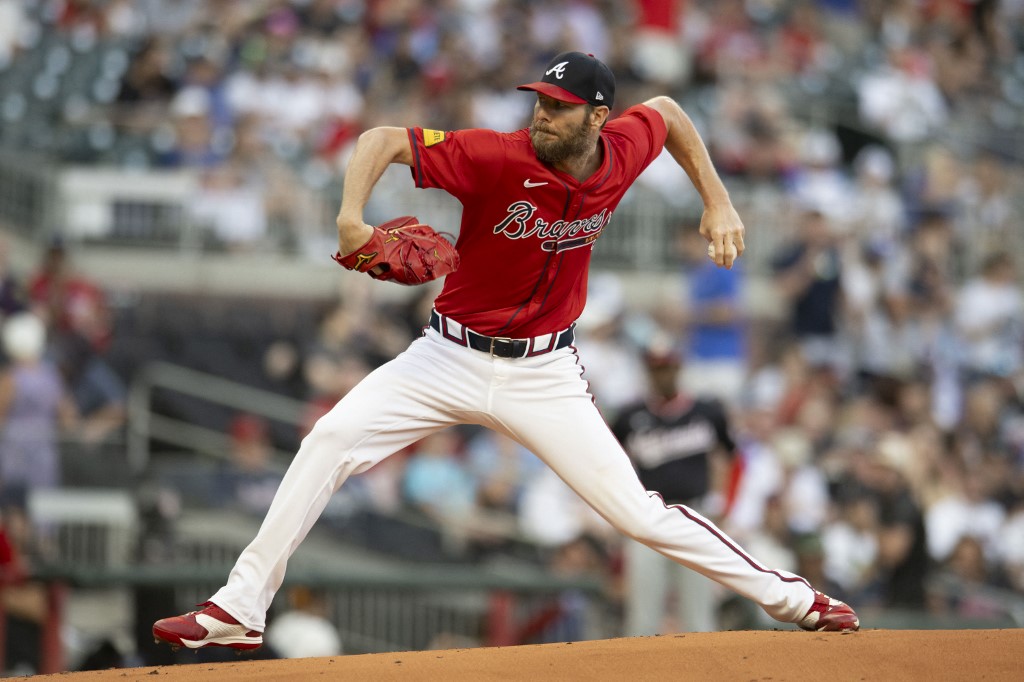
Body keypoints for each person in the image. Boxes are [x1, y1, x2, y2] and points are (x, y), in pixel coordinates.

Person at [153, 51, 858, 651]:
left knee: (637, 513)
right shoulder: (494, 155)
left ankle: (791, 600)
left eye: (558, 106)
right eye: (539, 103)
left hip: (545, 373)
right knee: (330, 437)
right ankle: (240, 607)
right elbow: (380, 139)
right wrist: (349, 219)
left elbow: (669, 111)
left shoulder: (622, 151)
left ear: (596, 118)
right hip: (446, 357)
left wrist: (718, 199)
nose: (541, 115)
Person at [612, 337, 738, 634]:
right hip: (648, 516)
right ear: (647, 372)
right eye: (657, 368)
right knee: (643, 616)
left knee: (698, 613)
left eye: (667, 367)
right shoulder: (631, 417)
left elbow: (733, 458)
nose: (663, 374)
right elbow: (610, 463)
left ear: (678, 368)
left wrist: (725, 502)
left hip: (695, 513)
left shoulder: (707, 411)